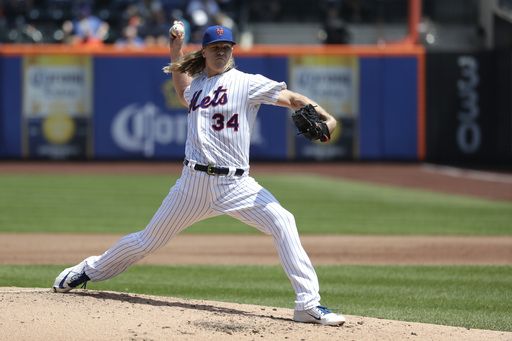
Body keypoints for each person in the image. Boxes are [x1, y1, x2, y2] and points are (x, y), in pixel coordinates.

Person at [52, 24, 345, 327]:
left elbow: (293, 98)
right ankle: (89, 269)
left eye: (226, 46)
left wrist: (329, 118)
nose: (222, 51)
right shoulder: (199, 87)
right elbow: (181, 90)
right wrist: (175, 48)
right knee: (146, 242)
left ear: (232, 50)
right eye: (216, 47)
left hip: (236, 185)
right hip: (191, 185)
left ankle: (307, 305)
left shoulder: (248, 83)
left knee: (284, 221)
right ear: (204, 51)